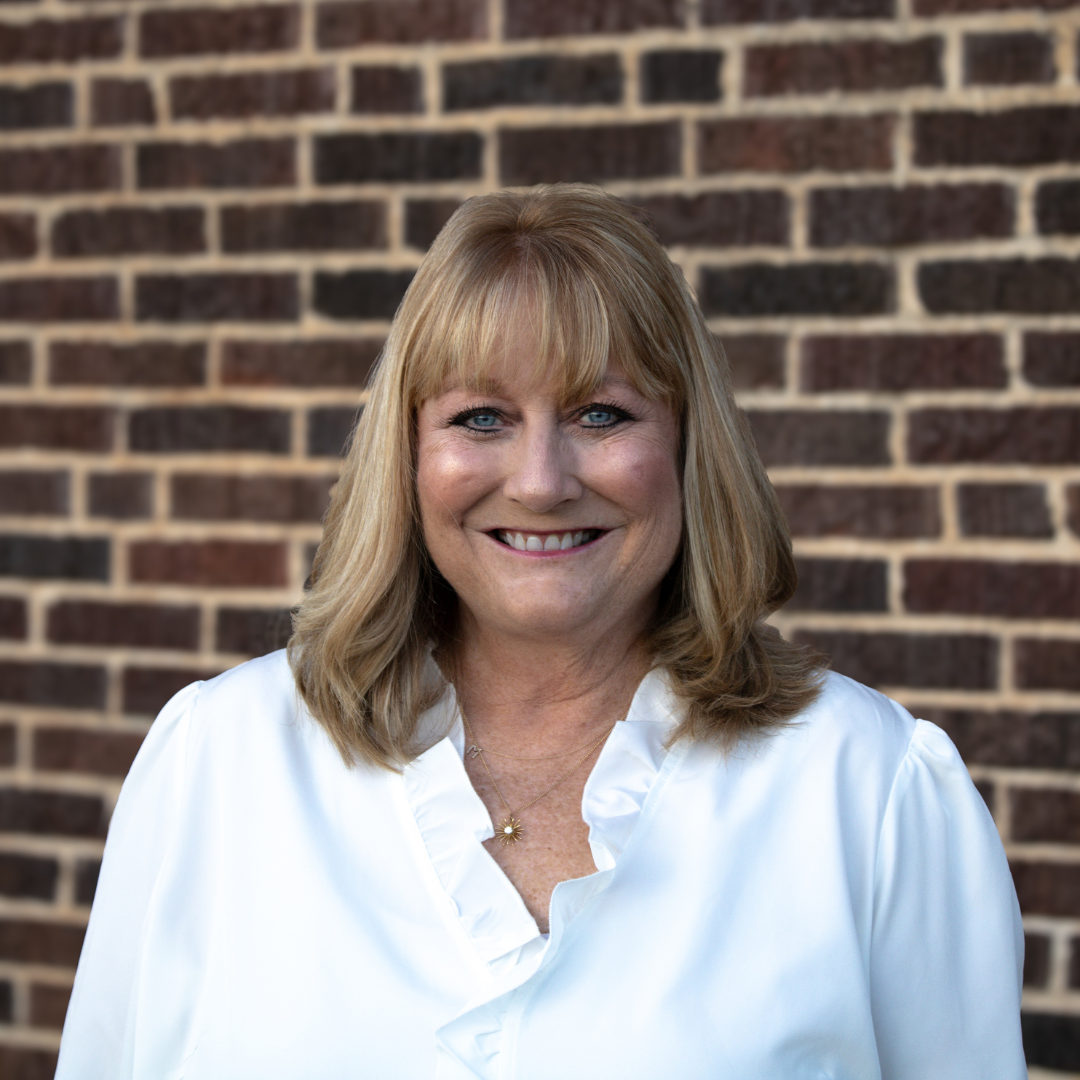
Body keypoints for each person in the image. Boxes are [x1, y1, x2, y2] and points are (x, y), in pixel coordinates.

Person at [56, 185, 1024, 1079]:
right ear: (409, 457)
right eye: (480, 417)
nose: (539, 481)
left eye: (601, 412)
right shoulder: (217, 768)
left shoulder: (871, 795)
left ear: (687, 448)